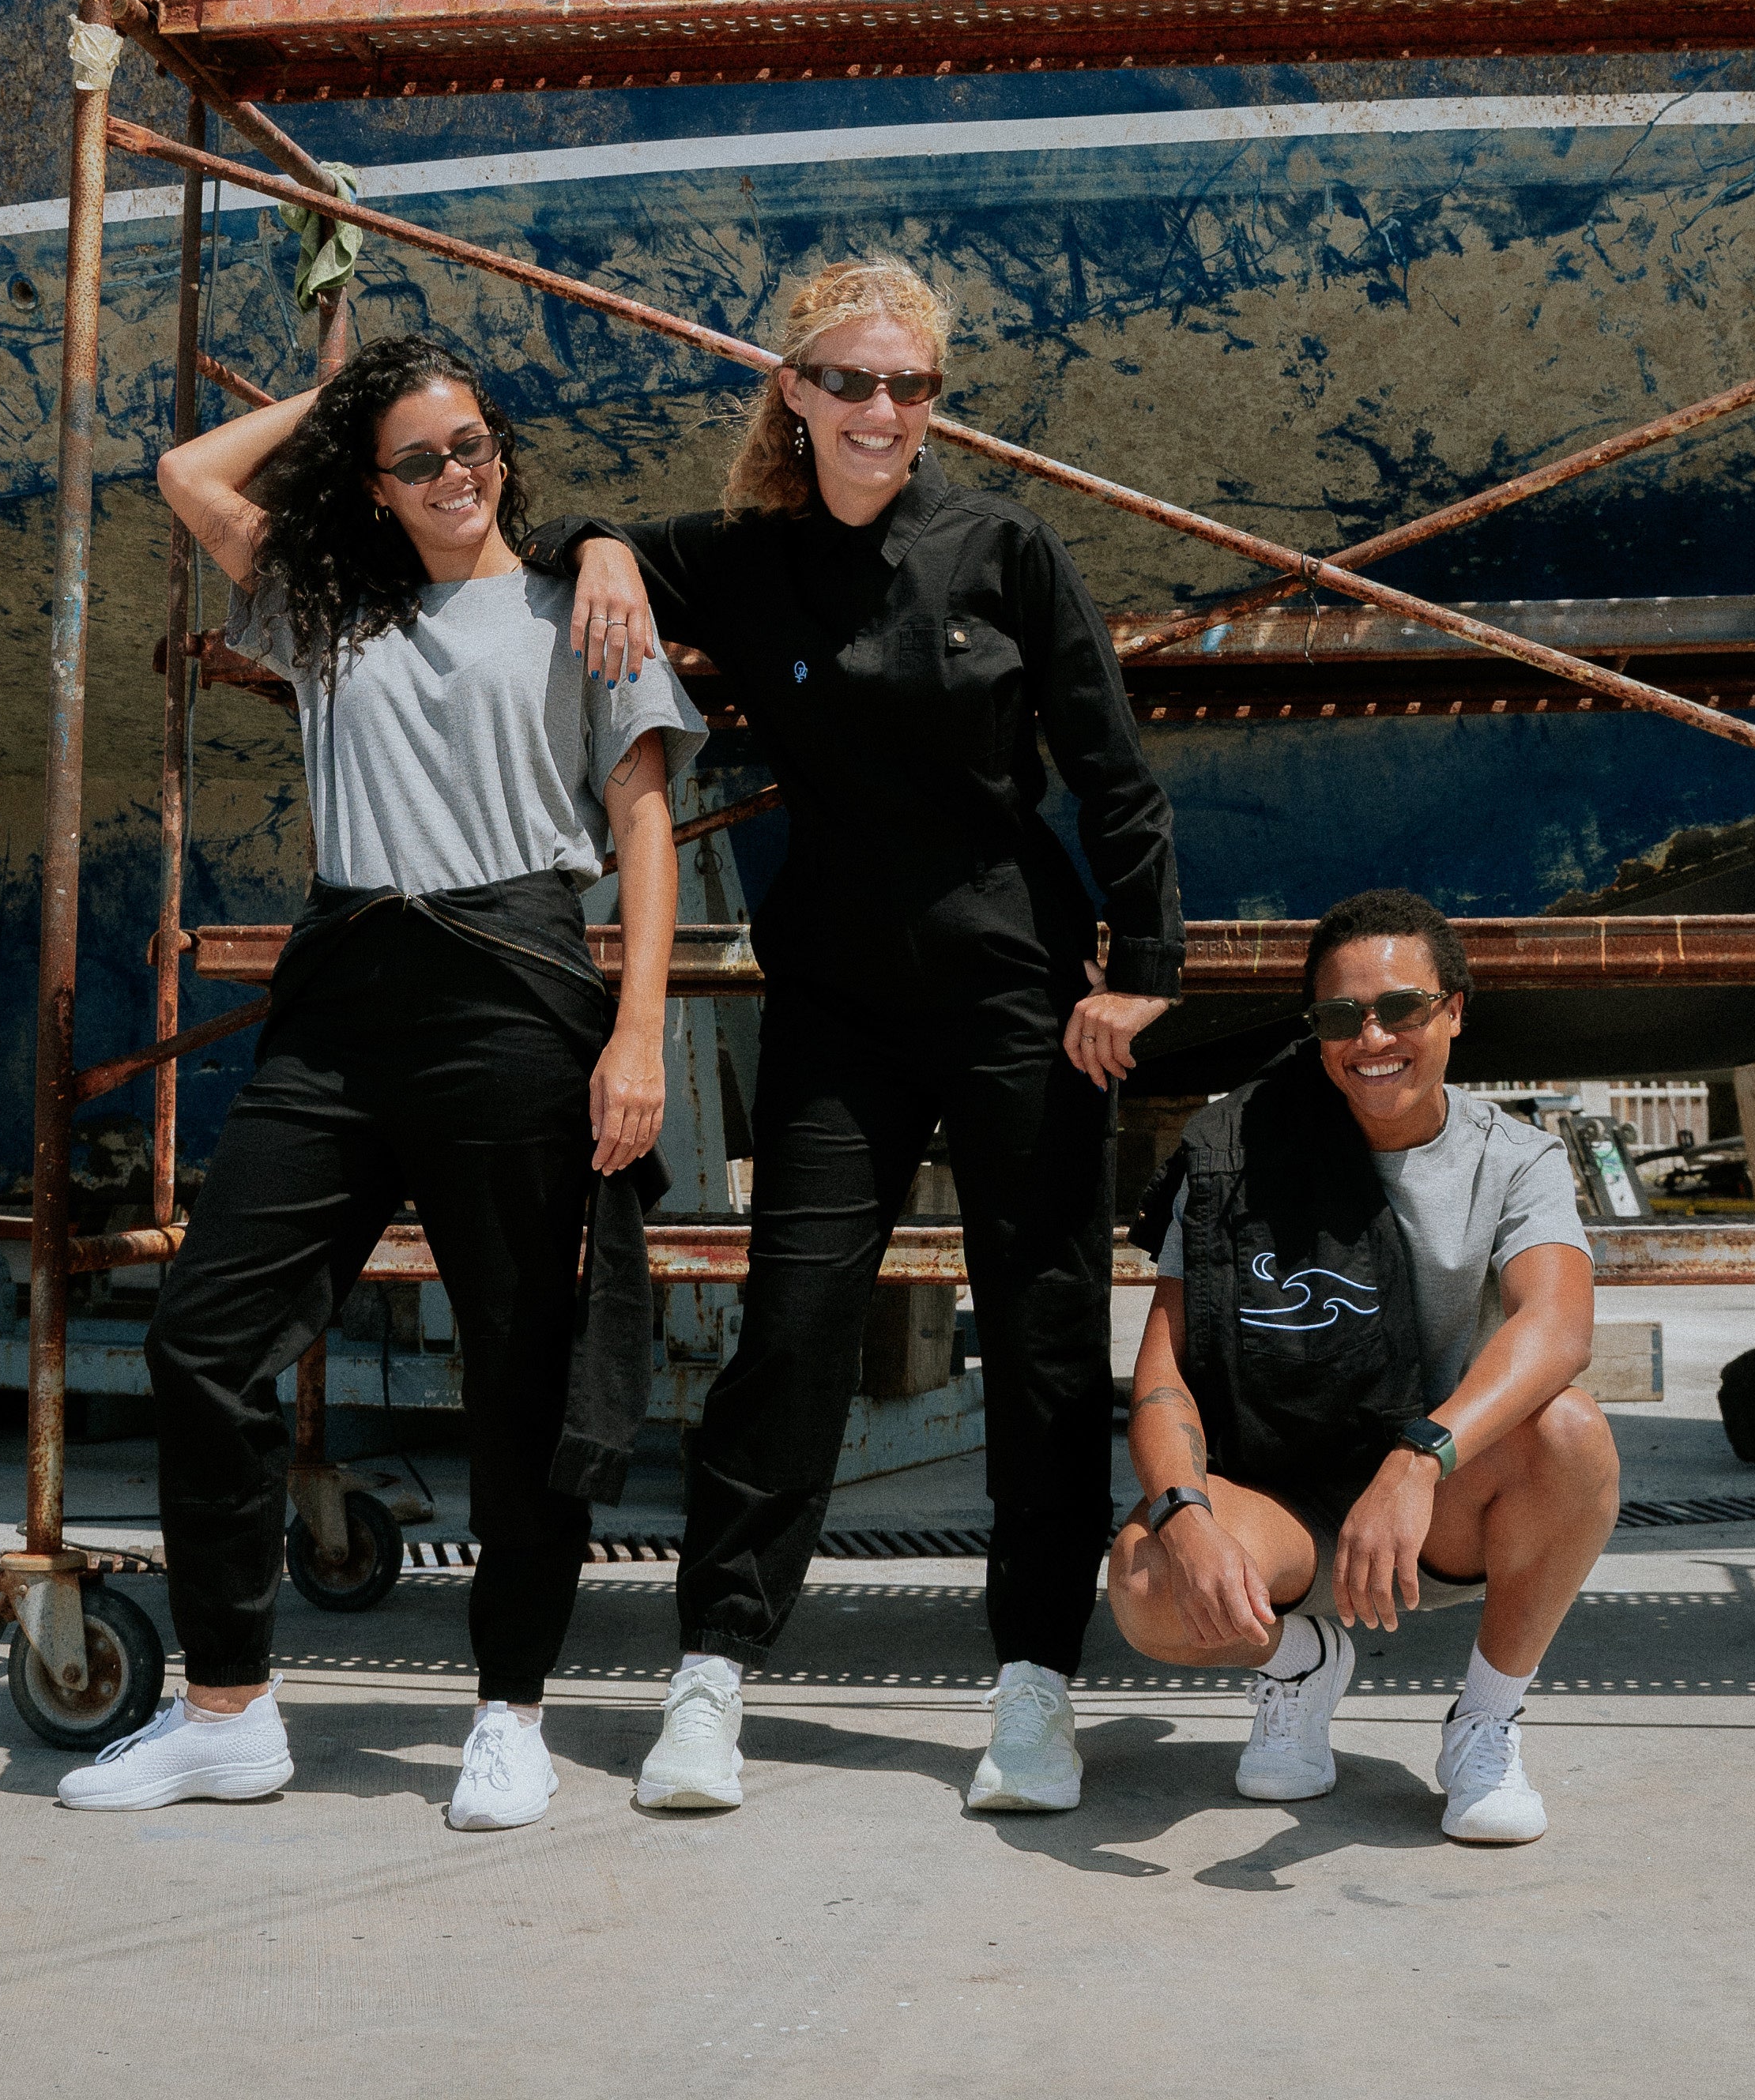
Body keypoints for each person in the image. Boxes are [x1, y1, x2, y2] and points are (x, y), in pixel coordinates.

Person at [529, 257, 1184, 1816]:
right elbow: (563, 548)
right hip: (831, 1005)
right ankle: (712, 1674)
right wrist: (609, 546)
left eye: (913, 387)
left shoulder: (1000, 548)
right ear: (796, 393)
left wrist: (1140, 967)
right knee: (792, 1334)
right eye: (855, 382)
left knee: (1037, 1342)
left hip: (1014, 991)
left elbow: (1112, 768)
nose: (886, 411)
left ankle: (1034, 1687)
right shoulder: (744, 562)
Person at [57, 336, 702, 1827]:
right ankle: (224, 1712)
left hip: (517, 994)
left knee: (518, 1372)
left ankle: (509, 1712)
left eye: (471, 443)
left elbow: (646, 818)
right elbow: (186, 473)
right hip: (344, 1001)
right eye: (417, 458)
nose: (457, 475)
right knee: (204, 1341)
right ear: (372, 480)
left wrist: (637, 1033)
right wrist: (345, 392)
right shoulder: (320, 606)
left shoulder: (577, 606)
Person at [1108, 886, 1618, 1845]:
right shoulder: (1233, 1153)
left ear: (1453, 1012)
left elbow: (1556, 1329)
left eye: (1400, 1009)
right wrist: (1182, 1513)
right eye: (1340, 1015)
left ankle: (1484, 1723)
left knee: (1570, 1430)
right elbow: (1163, 1374)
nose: (1370, 1037)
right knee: (1144, 1582)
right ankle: (1298, 1663)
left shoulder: (1511, 1158)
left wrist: (1419, 1456)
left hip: (1435, 1500)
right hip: (1283, 1485)